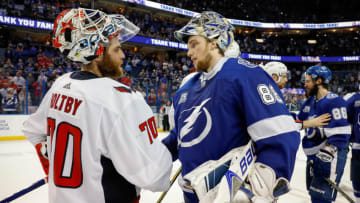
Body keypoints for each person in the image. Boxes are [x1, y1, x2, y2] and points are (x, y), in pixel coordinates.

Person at [22, 8, 172, 203]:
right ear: (98, 52)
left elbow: (32, 130)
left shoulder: (61, 85)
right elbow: (154, 176)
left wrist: (52, 167)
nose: (123, 57)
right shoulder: (123, 99)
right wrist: (173, 147)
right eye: (117, 49)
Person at [162, 11, 300, 203]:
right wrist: (149, 158)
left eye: (194, 44)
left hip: (233, 196)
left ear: (214, 42)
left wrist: (257, 190)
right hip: (193, 195)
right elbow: (180, 138)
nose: (188, 53)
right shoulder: (186, 88)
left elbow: (280, 136)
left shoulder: (247, 75)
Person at [297, 65, 351, 203]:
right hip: (313, 158)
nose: (305, 84)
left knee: (321, 198)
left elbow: (342, 134)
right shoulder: (308, 102)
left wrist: (328, 151)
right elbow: (299, 121)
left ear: (319, 81)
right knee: (314, 195)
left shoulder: (335, 101)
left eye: (308, 81)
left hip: (328, 156)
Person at [262, 61, 332, 131]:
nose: (286, 80)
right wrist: (311, 123)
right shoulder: (269, 97)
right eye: (284, 76)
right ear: (274, 77)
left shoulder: (272, 93)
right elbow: (281, 125)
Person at [344, 86, 360, 203]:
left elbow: (343, 121)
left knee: (358, 180)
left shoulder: (353, 99)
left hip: (357, 148)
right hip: (357, 148)